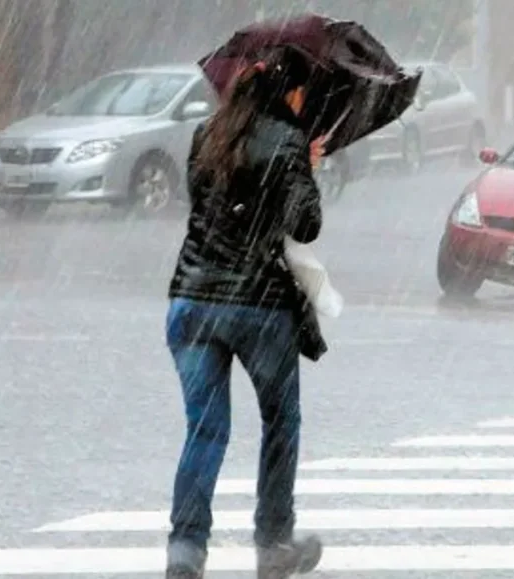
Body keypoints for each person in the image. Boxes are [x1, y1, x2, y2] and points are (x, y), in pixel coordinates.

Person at [164, 47, 325, 579]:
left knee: (204, 431)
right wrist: (306, 167)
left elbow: (206, 205)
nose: (305, 101)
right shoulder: (288, 141)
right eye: (303, 92)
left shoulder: (205, 135)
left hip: (192, 301)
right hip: (258, 308)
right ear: (289, 93)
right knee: (281, 422)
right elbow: (305, 226)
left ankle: (186, 551)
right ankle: (274, 543)